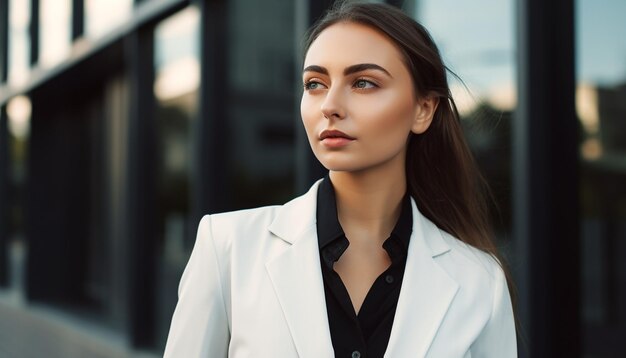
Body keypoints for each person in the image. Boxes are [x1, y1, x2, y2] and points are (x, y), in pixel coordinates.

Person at [164, 1, 517, 357]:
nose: (329, 105)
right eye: (314, 83)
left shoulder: (480, 281)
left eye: (363, 82)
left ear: (423, 109)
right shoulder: (228, 248)